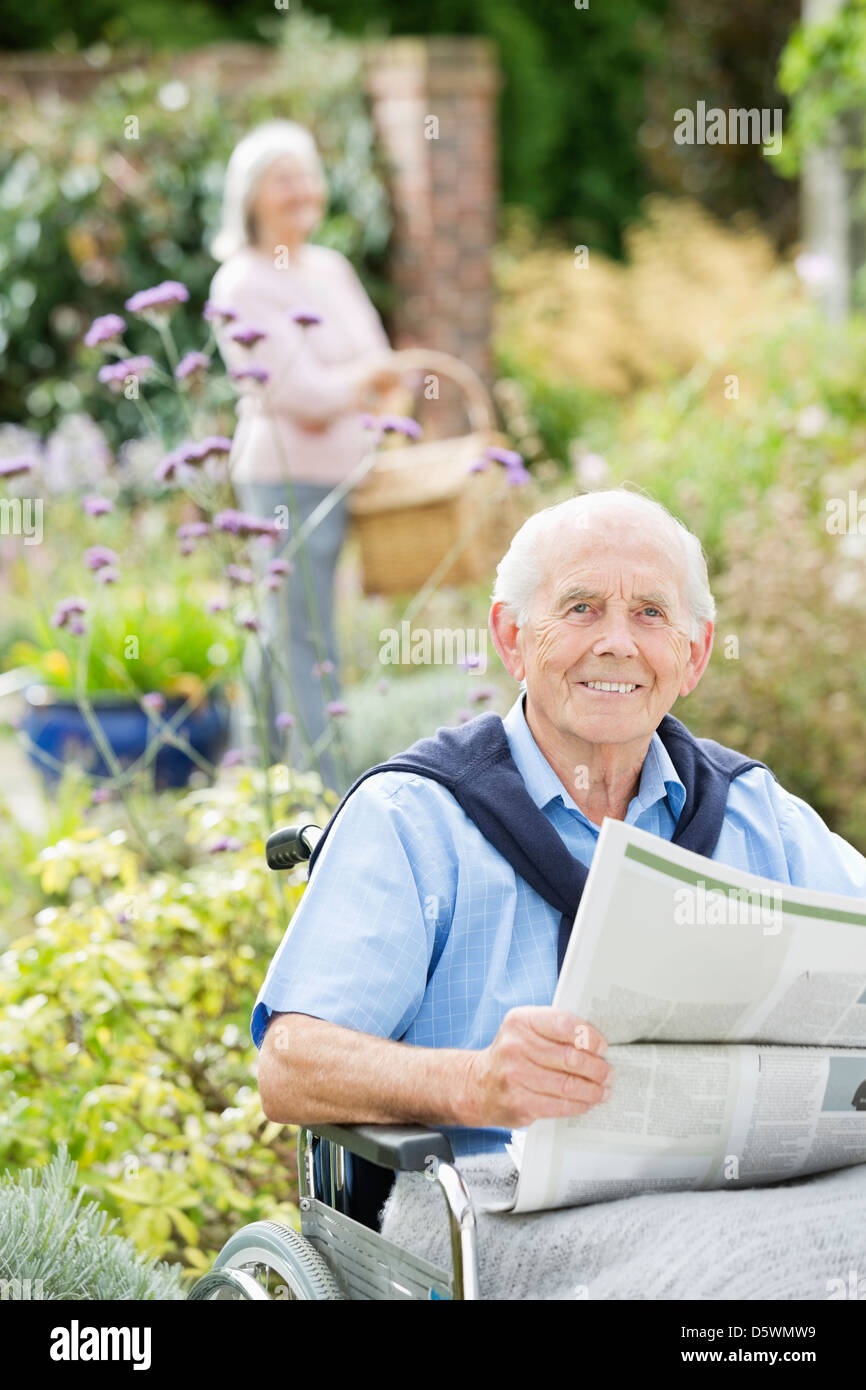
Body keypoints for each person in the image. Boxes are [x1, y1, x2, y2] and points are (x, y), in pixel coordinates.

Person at [250, 487, 866, 1297]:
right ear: (513, 637)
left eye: (651, 613)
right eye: (581, 608)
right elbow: (289, 1065)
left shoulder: (757, 814)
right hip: (495, 1214)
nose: (617, 642)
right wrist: (476, 1083)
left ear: (696, 653)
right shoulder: (416, 816)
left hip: (743, 1195)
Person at [208, 120, 400, 789]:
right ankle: (328, 792)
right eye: (282, 178)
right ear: (250, 197)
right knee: (307, 642)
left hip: (351, 476)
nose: (301, 190)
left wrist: (368, 393)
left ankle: (247, 780)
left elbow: (381, 367)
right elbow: (304, 395)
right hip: (285, 484)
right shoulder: (241, 282)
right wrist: (358, 382)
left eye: (307, 174)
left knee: (281, 632)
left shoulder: (332, 269)